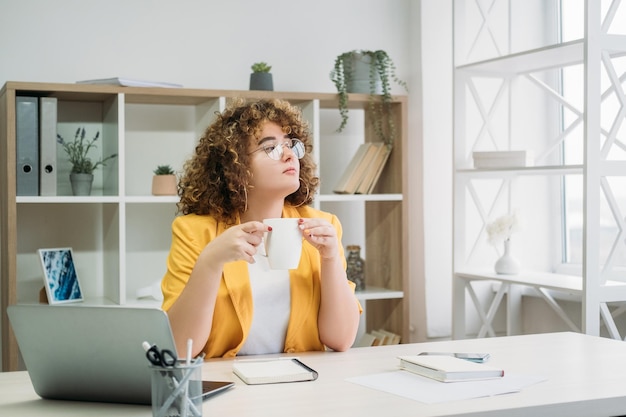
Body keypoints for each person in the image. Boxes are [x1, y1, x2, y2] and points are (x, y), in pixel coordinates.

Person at [161, 98, 362, 358]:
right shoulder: (194, 232)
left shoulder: (324, 226)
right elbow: (178, 349)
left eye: (290, 145)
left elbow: (341, 339)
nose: (289, 154)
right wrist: (210, 262)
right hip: (229, 387)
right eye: (271, 148)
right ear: (235, 167)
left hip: (304, 385)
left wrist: (331, 258)